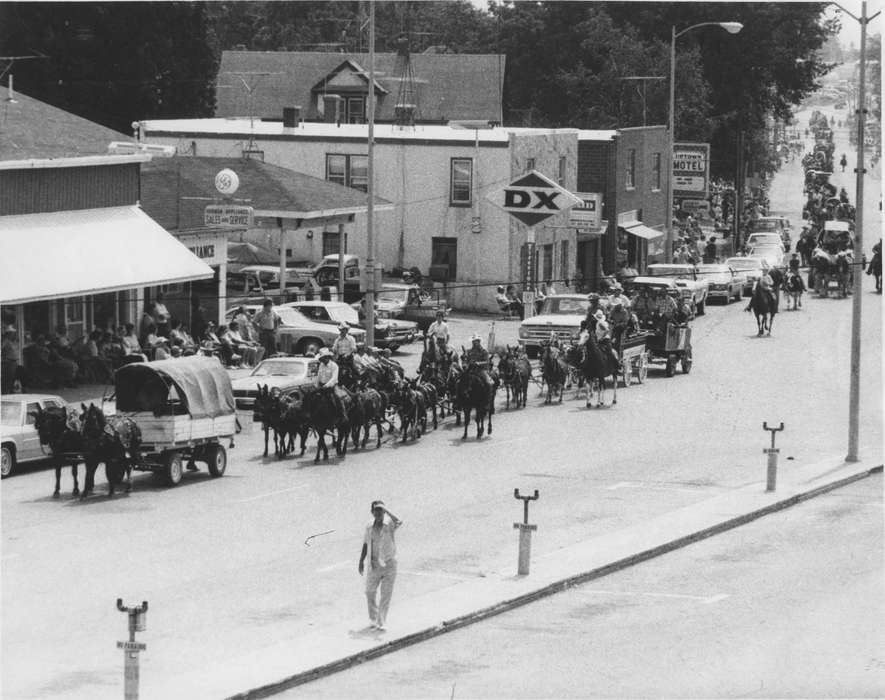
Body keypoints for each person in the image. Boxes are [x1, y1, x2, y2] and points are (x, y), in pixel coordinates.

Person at [358, 500, 403, 631]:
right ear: (372, 512)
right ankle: (373, 619)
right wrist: (361, 560)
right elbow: (366, 543)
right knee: (369, 592)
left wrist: (387, 510)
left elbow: (399, 521)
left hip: (389, 564)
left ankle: (381, 622)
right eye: (376, 510)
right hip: (374, 565)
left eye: (380, 510)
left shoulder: (389, 524)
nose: (378, 513)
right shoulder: (369, 526)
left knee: (385, 595)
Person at [315, 347, 349, 425]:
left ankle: (343, 415)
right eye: (321, 359)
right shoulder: (321, 365)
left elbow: (334, 378)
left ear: (327, 357)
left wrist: (326, 386)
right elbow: (318, 376)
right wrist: (316, 385)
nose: (322, 360)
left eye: (323, 358)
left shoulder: (334, 365)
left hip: (332, 387)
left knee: (338, 398)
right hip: (321, 387)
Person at [1, 328, 24, 393]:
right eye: (12, 334)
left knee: (13, 378)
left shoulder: (13, 342)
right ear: (9, 334)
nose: (14, 335)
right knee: (8, 378)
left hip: (14, 362)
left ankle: (10, 391)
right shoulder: (5, 341)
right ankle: (5, 391)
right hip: (9, 362)